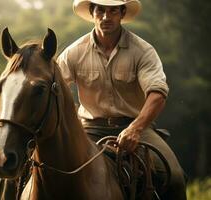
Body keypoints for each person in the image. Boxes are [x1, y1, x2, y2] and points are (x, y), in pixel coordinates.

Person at [57, 0, 187, 199]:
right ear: (92, 12)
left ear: (122, 13)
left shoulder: (142, 50)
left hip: (137, 128)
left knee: (175, 178)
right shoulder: (73, 52)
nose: (106, 17)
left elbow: (158, 93)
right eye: (100, 10)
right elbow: (54, 90)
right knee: (40, 167)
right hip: (88, 129)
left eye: (113, 11)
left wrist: (135, 128)